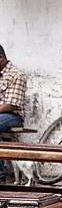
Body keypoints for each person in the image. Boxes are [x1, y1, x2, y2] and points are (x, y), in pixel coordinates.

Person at [0, 44, 27, 182]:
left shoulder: (16, 75)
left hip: (12, 116)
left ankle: (1, 175)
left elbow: (11, 105)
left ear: (1, 59)